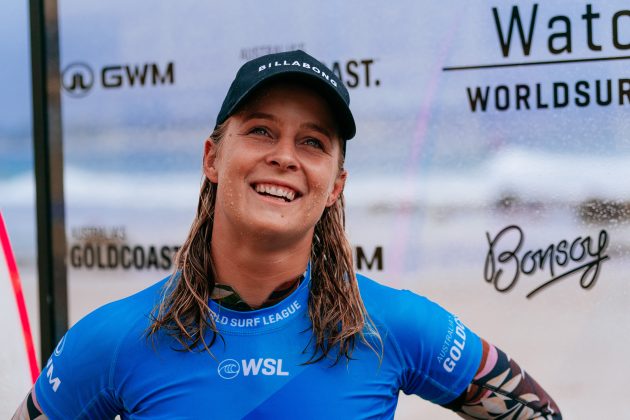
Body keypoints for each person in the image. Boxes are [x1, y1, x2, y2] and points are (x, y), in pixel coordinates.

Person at [14, 50, 561, 419]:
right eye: (260, 131)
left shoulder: (393, 325)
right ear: (212, 157)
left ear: (335, 185)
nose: (283, 156)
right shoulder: (115, 337)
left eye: (313, 142)